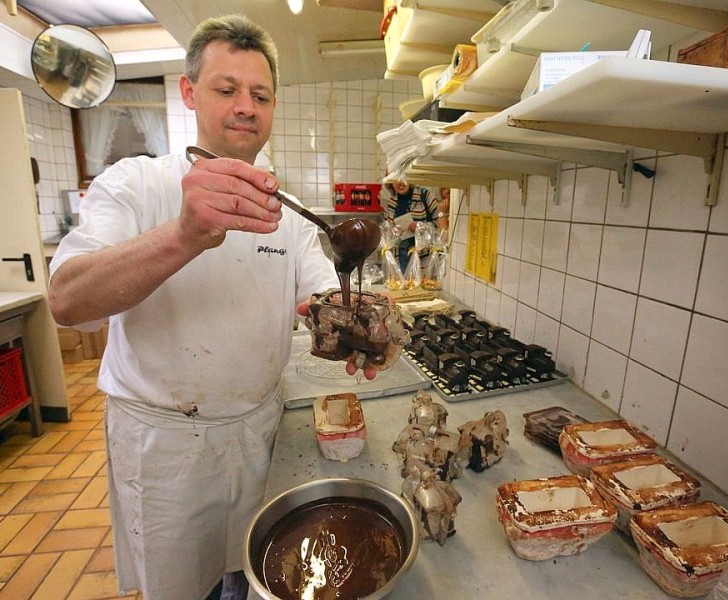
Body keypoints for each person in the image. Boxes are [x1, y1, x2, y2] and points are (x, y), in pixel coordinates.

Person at [48, 14, 374, 600]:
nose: (246, 107)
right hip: (166, 443)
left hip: (258, 430)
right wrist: (184, 234)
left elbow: (320, 297)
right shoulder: (136, 185)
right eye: (227, 90)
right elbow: (68, 302)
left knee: (254, 576)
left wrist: (356, 330)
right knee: (179, 589)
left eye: (261, 95)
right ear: (190, 92)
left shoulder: (288, 210)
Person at [383, 180, 438, 272]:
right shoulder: (390, 202)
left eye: (402, 178)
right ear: (390, 183)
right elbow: (386, 230)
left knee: (419, 284)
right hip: (400, 255)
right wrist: (394, 232)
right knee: (402, 284)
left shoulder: (424, 195)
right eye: (395, 180)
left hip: (423, 255)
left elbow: (438, 223)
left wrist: (420, 227)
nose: (400, 183)